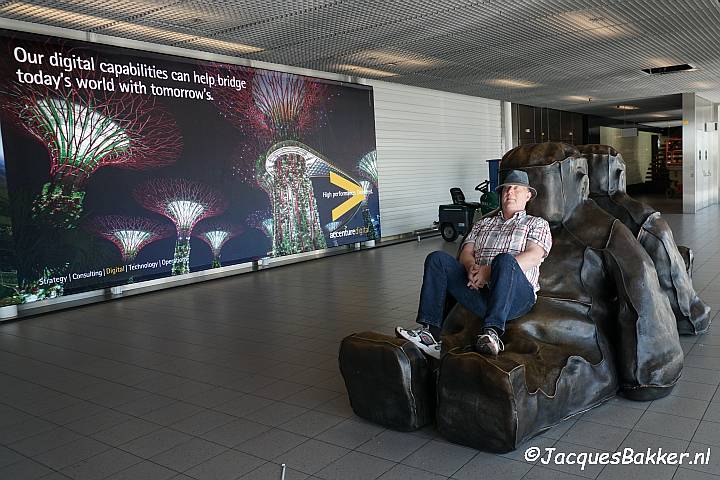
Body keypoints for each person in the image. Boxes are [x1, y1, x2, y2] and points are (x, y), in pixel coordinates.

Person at [396, 170, 552, 358]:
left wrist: (488, 272)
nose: (510, 192)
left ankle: (492, 333)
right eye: (506, 190)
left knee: (504, 260)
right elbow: (466, 252)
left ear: (528, 195)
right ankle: (430, 335)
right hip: (479, 291)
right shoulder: (482, 224)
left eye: (516, 189)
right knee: (437, 259)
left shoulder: (536, 223)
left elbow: (534, 255)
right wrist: (471, 267)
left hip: (516, 297)